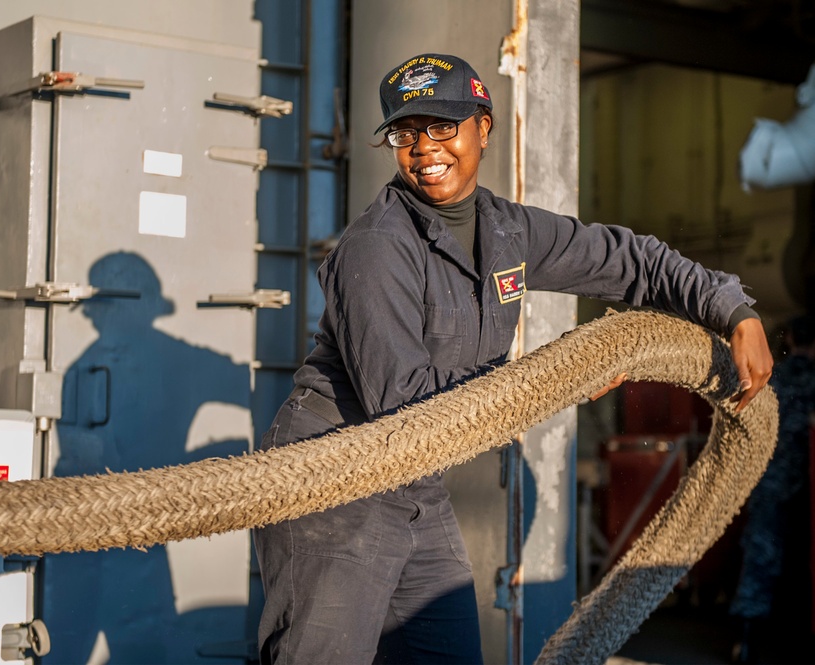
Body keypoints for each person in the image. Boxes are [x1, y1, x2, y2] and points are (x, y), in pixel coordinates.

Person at [253, 52, 773, 664]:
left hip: (416, 488)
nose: (423, 148)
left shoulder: (509, 232)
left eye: (442, 127)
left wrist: (732, 310)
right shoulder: (375, 249)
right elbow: (412, 414)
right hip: (332, 488)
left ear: (483, 126)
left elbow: (631, 262)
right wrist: (570, 374)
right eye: (405, 132)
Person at [730, 314, 815, 663]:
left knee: (761, 559)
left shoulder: (773, 376)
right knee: (802, 560)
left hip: (772, 481)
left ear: (790, 338)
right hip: (808, 488)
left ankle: (746, 642)